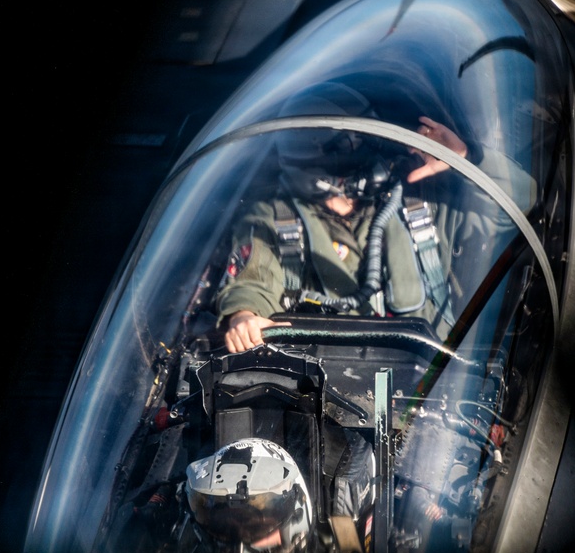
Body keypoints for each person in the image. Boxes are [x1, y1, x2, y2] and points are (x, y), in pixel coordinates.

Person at [215, 81, 532, 354]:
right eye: (354, 149)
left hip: (433, 384)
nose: (374, 158)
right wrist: (243, 318)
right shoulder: (273, 217)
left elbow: (519, 205)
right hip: (331, 390)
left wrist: (465, 159)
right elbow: (253, 282)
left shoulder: (420, 199)